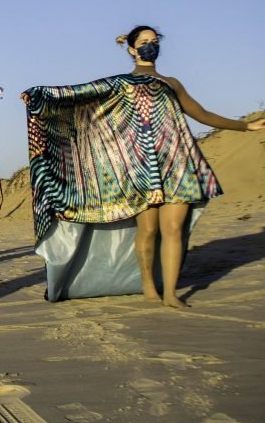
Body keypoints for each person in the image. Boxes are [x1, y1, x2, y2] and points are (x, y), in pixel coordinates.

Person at [23, 25, 264, 307]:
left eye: (154, 40)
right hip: (141, 167)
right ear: (132, 49)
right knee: (148, 230)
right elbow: (79, 95)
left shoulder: (172, 83)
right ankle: (149, 286)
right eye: (145, 41)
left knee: (174, 229)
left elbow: (202, 113)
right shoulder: (121, 83)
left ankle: (171, 293)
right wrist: (39, 97)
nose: (151, 45)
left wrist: (245, 126)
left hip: (177, 161)